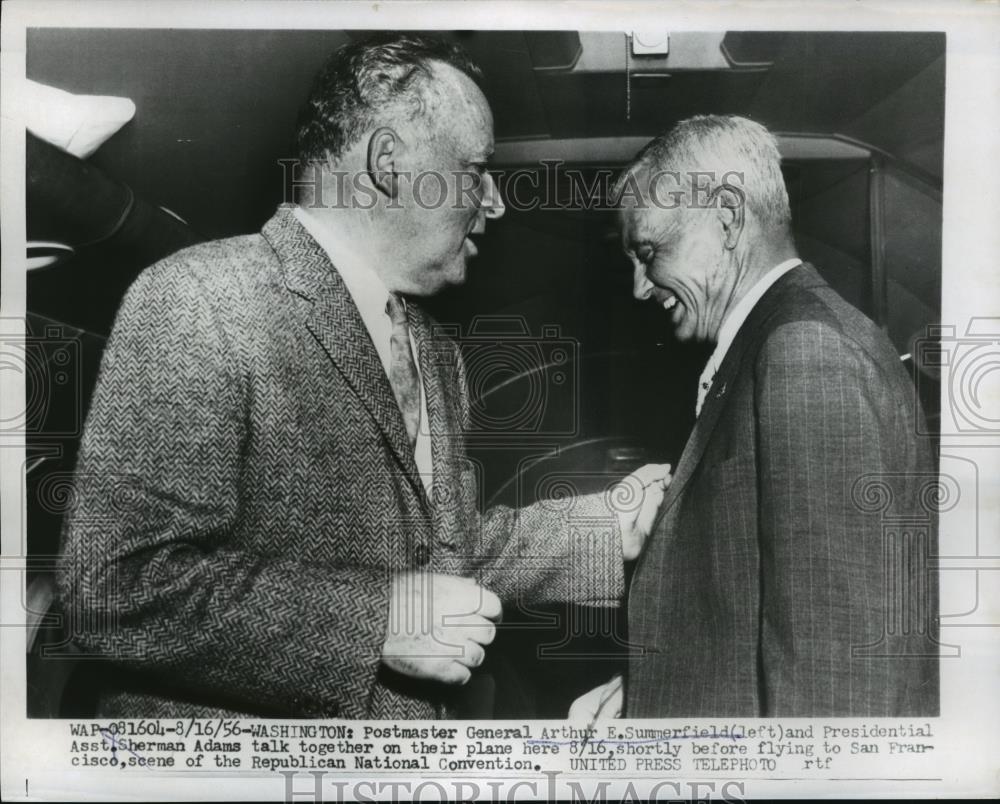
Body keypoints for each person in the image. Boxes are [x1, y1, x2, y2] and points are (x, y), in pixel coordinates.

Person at [57, 34, 669, 719]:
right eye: (476, 169)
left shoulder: (434, 351)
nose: (494, 202)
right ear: (387, 163)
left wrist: (605, 525)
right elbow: (113, 590)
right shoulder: (200, 297)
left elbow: (445, 554)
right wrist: (375, 621)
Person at [571, 115, 938, 719]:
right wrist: (650, 690)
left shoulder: (803, 353)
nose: (639, 288)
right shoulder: (785, 340)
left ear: (728, 217)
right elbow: (756, 599)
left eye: (649, 252)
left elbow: (835, 683)